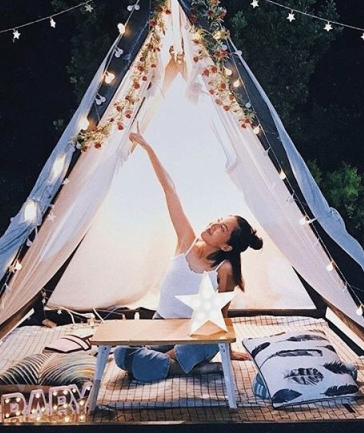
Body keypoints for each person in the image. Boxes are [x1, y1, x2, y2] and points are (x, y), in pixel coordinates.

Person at [113, 124, 264, 382]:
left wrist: (228, 350)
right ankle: (180, 366)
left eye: (222, 228)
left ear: (227, 247)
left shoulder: (224, 269)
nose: (213, 224)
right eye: (218, 220)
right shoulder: (186, 240)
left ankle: (169, 362)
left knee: (203, 343)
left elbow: (221, 313)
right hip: (162, 325)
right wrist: (148, 148)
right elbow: (170, 190)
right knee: (120, 353)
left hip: (193, 335)